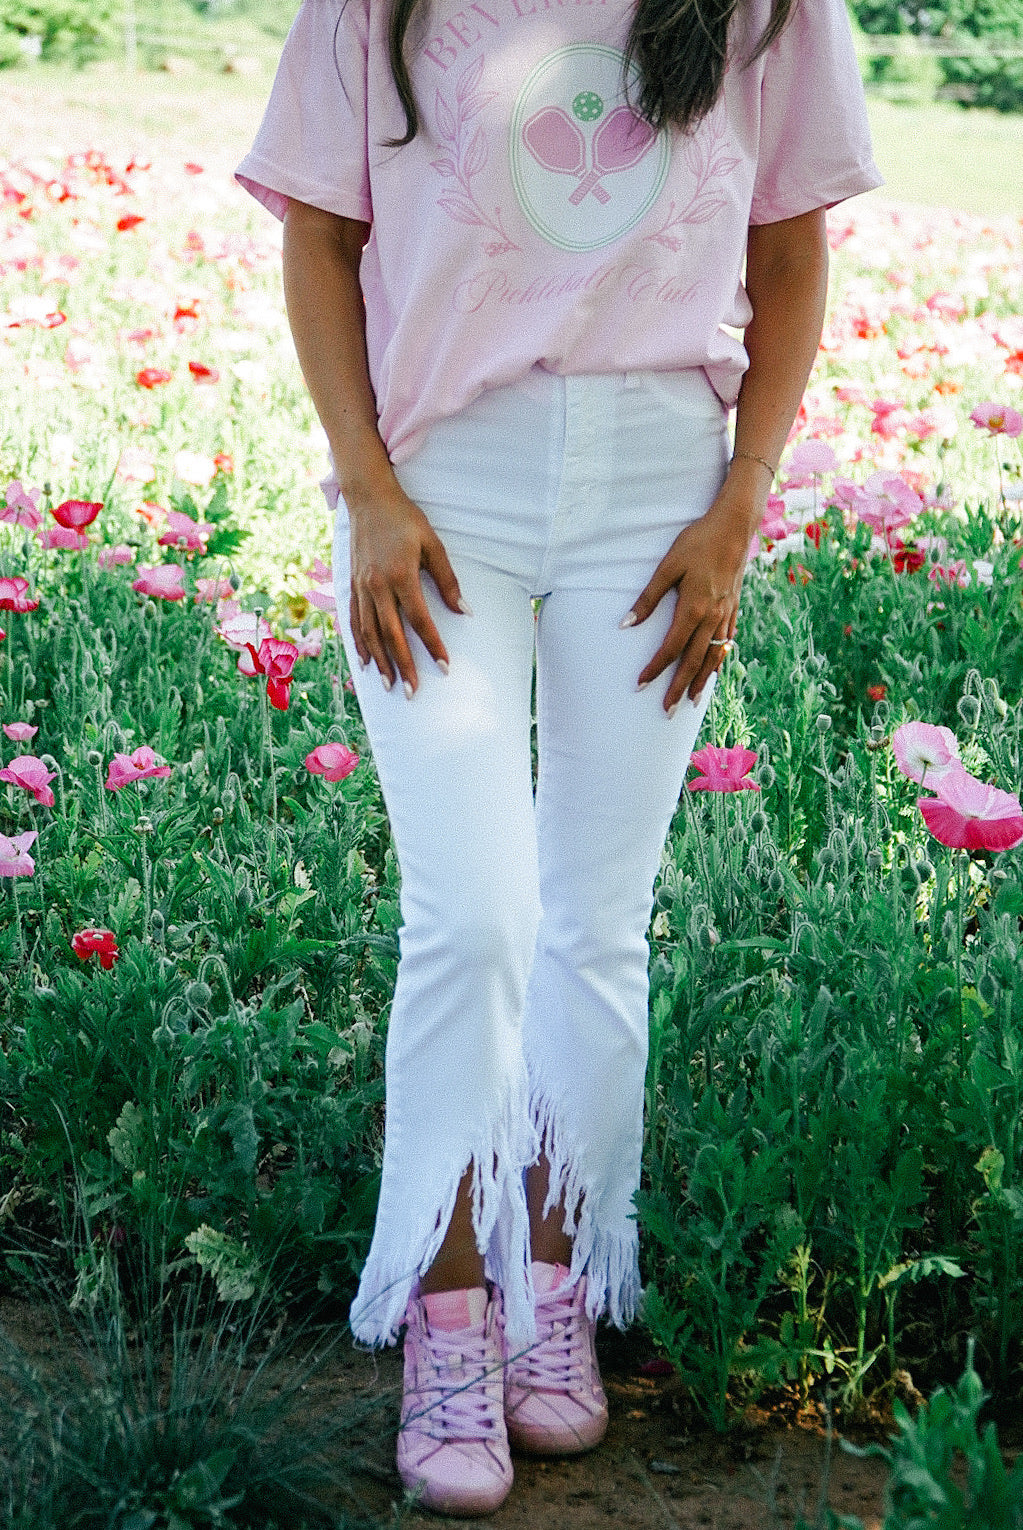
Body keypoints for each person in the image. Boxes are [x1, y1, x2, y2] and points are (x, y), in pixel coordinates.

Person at [236, 0, 880, 1513]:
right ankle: (444, 1309)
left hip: (662, 487)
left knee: (596, 922)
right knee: (473, 915)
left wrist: (741, 503)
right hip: (438, 479)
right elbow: (319, 237)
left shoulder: (766, 8)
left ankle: (558, 1274)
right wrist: (367, 489)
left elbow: (790, 249)